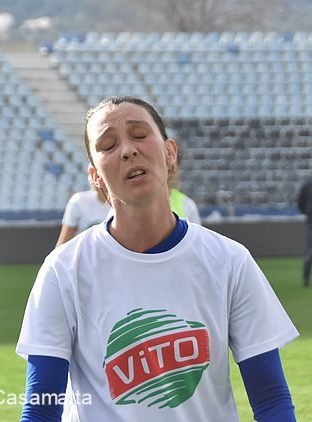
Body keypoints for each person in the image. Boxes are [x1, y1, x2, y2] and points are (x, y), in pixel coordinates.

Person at [17, 96, 298, 421]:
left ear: (170, 153)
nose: (127, 150)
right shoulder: (63, 270)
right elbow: (41, 408)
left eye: (139, 135)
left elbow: (271, 399)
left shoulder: (231, 261)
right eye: (108, 145)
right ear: (95, 177)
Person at [56, 173, 112, 247]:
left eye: (98, 173)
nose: (92, 178)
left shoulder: (124, 204)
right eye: (90, 173)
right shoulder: (78, 201)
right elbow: (63, 243)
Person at [298, 177, 312, 287]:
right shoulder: (308, 184)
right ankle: (305, 279)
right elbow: (301, 202)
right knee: (310, 252)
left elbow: (300, 202)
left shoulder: (307, 183)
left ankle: (305, 279)